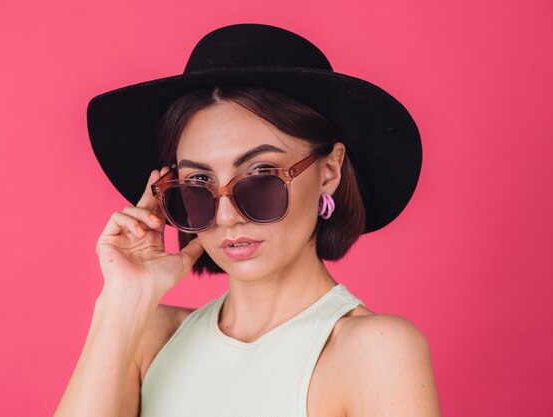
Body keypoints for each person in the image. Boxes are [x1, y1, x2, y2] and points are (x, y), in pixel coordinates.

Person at [55, 23, 441, 417]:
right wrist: (122, 299)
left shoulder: (374, 351)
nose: (226, 216)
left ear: (329, 170)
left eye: (260, 176)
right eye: (199, 182)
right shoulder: (149, 339)